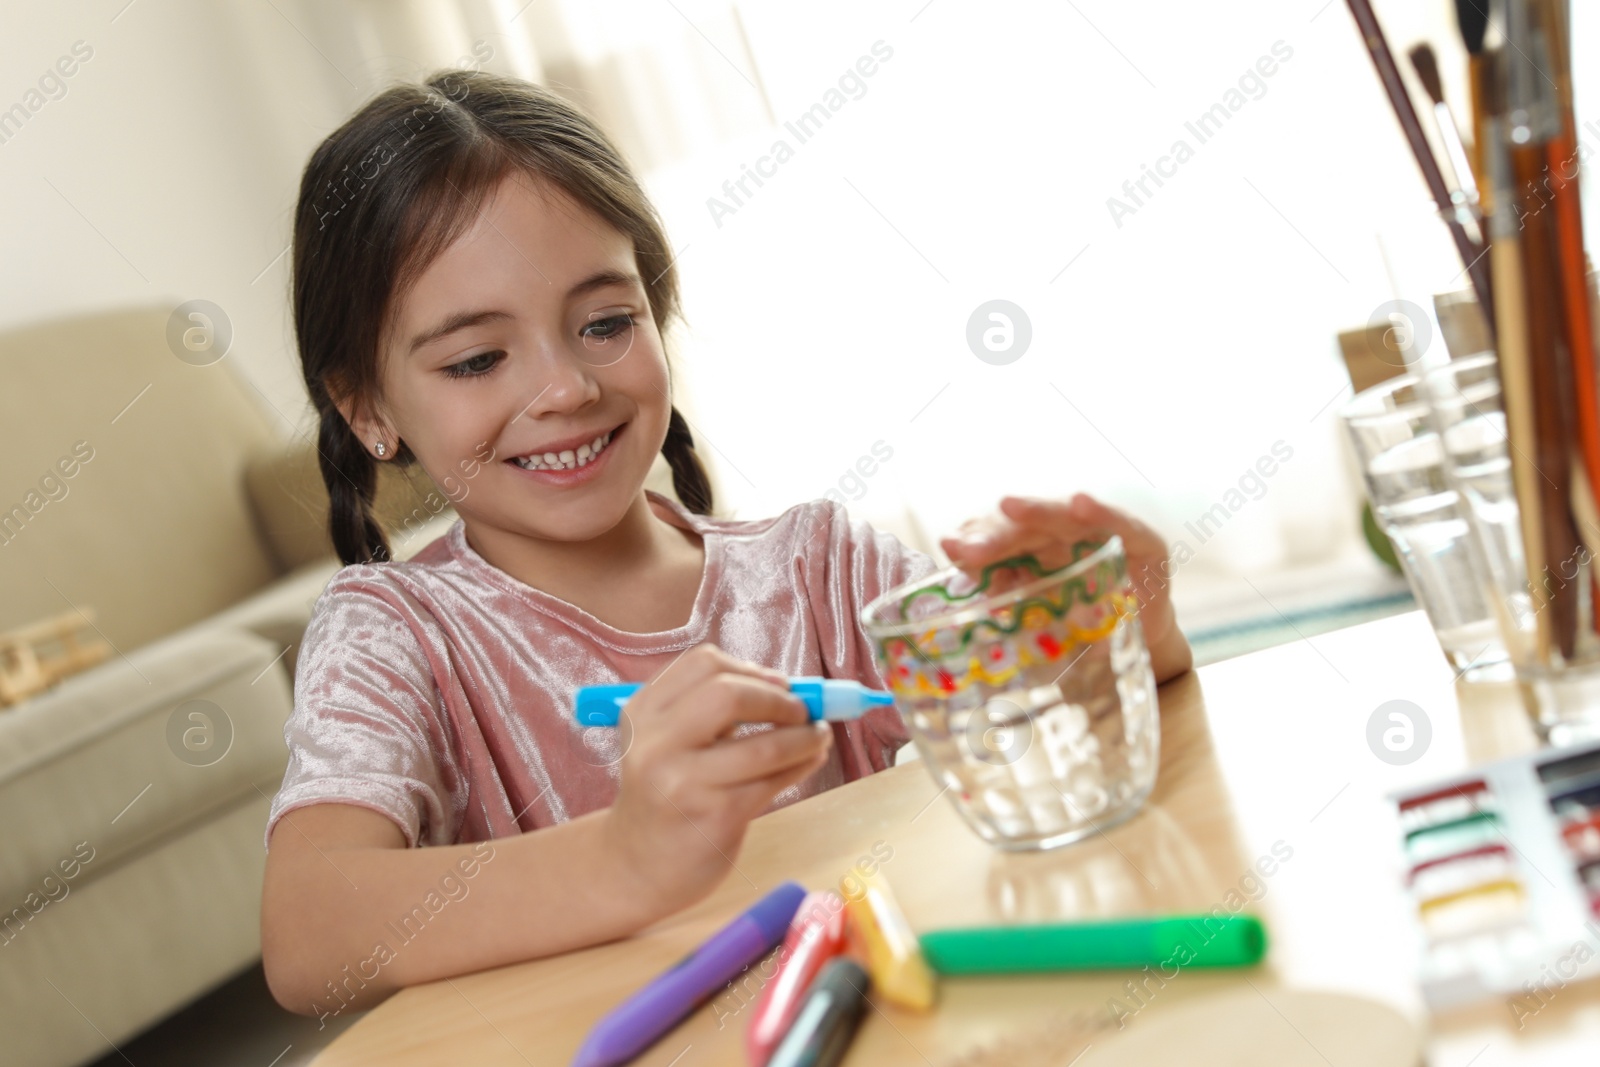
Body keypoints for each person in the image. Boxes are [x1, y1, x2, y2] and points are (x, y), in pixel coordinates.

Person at [259, 69, 1192, 1020]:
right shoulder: (394, 635)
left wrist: (1118, 620)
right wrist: (626, 857)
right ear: (368, 407)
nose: (567, 388)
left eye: (605, 324)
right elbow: (307, 933)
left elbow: (1042, 704)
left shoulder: (818, 571)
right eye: (477, 359)